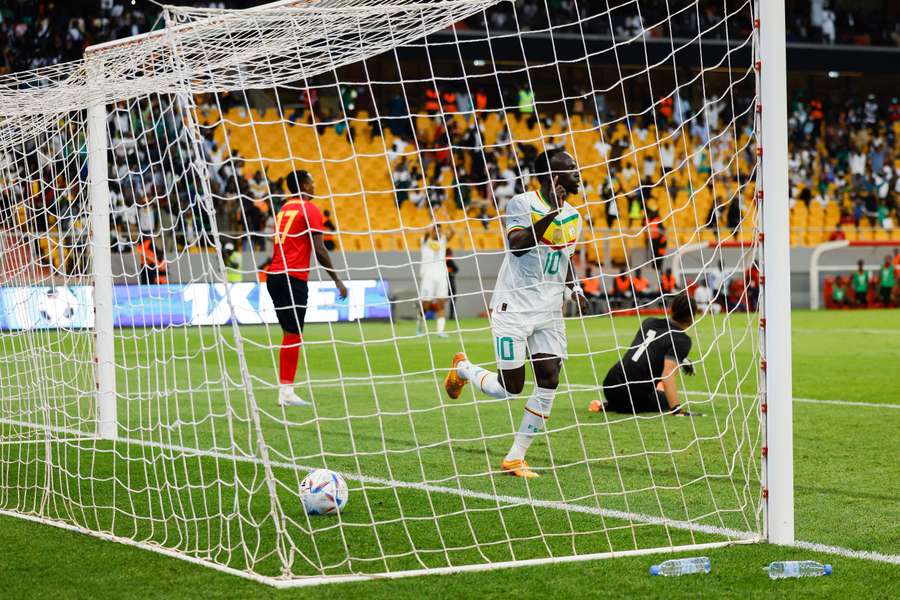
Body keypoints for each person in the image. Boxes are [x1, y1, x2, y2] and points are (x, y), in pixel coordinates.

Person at [443, 149, 587, 479]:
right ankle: (463, 369)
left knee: (550, 377)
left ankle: (515, 457)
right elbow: (519, 245)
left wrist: (574, 289)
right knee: (511, 387)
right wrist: (552, 213)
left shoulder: (575, 216)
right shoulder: (522, 204)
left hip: (549, 310)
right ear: (554, 177)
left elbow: (560, 259)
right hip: (514, 307)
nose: (579, 174)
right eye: (572, 169)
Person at [267, 170, 348, 407]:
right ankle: (286, 392)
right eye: (311, 182)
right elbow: (319, 249)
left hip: (274, 276)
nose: (314, 185)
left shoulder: (284, 209)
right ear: (303, 185)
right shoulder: (309, 209)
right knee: (293, 334)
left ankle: (286, 389)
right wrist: (337, 280)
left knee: (289, 334)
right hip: (293, 277)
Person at [599, 290, 700, 415]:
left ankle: (611, 404)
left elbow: (651, 349)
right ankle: (618, 404)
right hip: (632, 397)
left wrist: (681, 360)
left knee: (645, 380)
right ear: (692, 317)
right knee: (663, 399)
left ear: (672, 309)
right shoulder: (682, 340)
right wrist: (676, 410)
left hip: (610, 384)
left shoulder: (649, 322)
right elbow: (667, 374)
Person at [418, 224, 455, 337]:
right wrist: (431, 223)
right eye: (436, 231)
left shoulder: (443, 241)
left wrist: (445, 214)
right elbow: (426, 232)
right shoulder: (425, 241)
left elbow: (453, 230)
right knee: (426, 304)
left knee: (441, 304)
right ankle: (420, 328)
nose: (438, 233)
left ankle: (440, 331)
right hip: (428, 277)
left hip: (441, 276)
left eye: (440, 231)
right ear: (432, 231)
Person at [446, 247, 459, 320]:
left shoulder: (442, 260)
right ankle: (451, 315)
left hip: (444, 281)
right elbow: (456, 269)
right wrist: (450, 272)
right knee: (452, 298)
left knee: (444, 299)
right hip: (450, 281)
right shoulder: (448, 259)